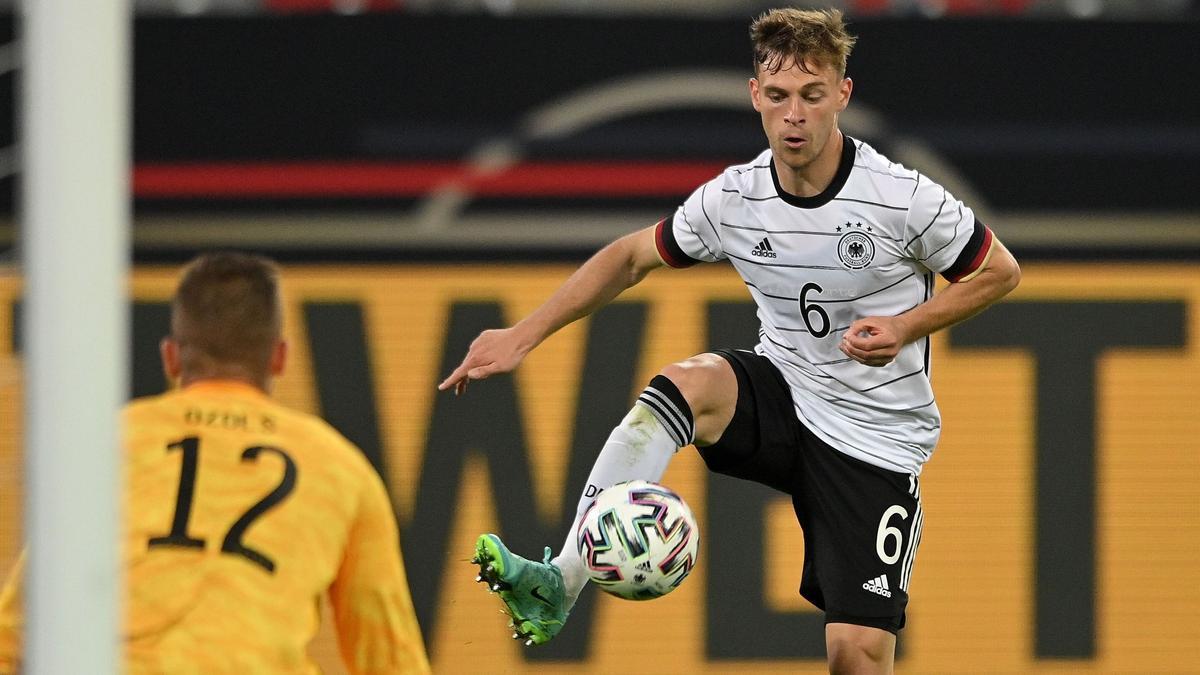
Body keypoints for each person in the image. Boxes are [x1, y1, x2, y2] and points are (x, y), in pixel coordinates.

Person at [441, 7, 1020, 674]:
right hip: (783, 398)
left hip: (875, 440)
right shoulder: (735, 198)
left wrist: (904, 326)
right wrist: (523, 333)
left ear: (842, 95)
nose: (793, 115)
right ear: (756, 97)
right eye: (777, 96)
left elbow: (999, 271)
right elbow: (632, 257)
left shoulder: (900, 198)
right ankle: (561, 583)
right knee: (686, 384)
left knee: (856, 658)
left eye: (811, 95)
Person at [0, 252, 431, 674]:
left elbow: (16, 631)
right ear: (279, 357)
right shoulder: (341, 468)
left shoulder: (111, 442)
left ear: (171, 356)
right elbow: (389, 656)